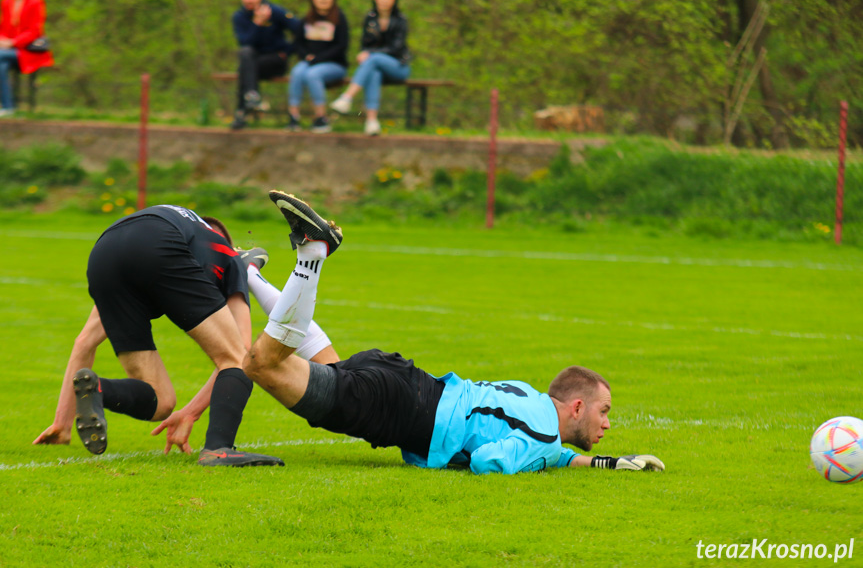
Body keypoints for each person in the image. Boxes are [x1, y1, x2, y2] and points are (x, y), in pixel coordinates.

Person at [242, 191, 666, 474]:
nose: (607, 422)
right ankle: (312, 253)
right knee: (262, 365)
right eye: (603, 410)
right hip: (403, 408)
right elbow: (488, 461)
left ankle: (246, 274)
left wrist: (606, 464)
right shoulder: (541, 433)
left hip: (410, 385)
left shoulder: (536, 408)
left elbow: (548, 448)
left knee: (321, 370)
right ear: (576, 407)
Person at [29, 205, 330, 467]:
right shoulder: (227, 254)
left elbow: (84, 343)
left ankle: (99, 389)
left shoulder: (182, 232)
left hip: (104, 251)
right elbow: (243, 357)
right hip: (158, 242)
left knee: (161, 401)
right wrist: (194, 412)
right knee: (235, 358)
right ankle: (218, 450)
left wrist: (62, 423)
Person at [330, 0, 410, 136]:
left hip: (398, 66)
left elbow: (396, 48)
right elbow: (364, 44)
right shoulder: (370, 17)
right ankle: (372, 122)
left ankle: (347, 97)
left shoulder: (401, 20)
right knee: (373, 72)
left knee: (374, 59)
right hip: (375, 66)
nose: (385, 0)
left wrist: (370, 53)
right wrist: (363, 53)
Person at [230, 0, 302, 131]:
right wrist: (257, 24)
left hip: (275, 61)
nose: (249, 0)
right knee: (245, 54)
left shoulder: (276, 12)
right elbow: (245, 43)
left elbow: (300, 30)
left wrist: (287, 52)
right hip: (252, 60)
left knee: (245, 67)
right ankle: (251, 96)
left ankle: (241, 112)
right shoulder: (239, 16)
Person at [286, 0, 349, 133]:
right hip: (309, 62)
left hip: (334, 64)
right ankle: (294, 116)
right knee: (297, 72)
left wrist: (318, 58)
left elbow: (341, 46)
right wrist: (306, 56)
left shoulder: (340, 18)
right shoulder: (307, 19)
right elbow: (298, 43)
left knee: (312, 74)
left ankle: (320, 117)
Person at [0, 0, 53, 117]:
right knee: (1, 66)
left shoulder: (35, 1)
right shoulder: (6, 2)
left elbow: (35, 30)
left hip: (29, 51)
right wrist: (2, 40)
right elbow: (3, 27)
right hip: (6, 50)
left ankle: (8, 106)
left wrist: (14, 42)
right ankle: (8, 107)